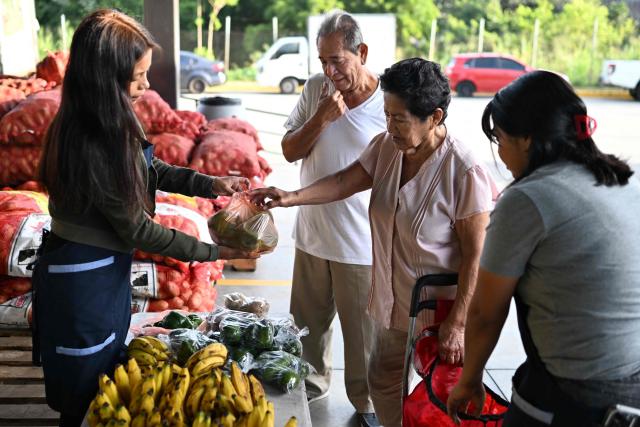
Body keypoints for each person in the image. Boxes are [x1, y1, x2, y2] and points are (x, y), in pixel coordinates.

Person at [33, 10, 256, 426]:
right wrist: (212, 251)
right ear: (105, 76)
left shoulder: (106, 120)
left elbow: (149, 171)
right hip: (84, 283)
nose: (147, 85)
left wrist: (209, 185)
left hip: (100, 274)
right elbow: (138, 229)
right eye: (138, 76)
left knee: (104, 389)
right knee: (87, 400)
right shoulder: (94, 138)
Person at [252, 57, 496, 426]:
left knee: (443, 403)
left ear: (435, 117)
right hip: (394, 304)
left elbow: (476, 257)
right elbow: (343, 182)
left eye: (400, 118)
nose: (390, 126)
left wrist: (459, 323)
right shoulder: (386, 148)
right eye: (387, 114)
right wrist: (291, 197)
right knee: (383, 382)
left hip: (441, 316)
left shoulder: (463, 170)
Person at [447, 71, 640, 427]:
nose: (500, 154)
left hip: (579, 395)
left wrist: (469, 381)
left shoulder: (527, 200)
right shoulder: (623, 180)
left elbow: (486, 314)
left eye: (500, 139)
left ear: (527, 140)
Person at [279, 10, 385, 426]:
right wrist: (321, 116)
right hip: (311, 234)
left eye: (336, 60)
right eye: (322, 61)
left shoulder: (386, 103)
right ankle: (309, 391)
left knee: (363, 341)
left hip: (359, 242)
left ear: (361, 52)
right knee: (307, 331)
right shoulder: (315, 90)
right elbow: (290, 150)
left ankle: (369, 407)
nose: (329, 70)